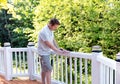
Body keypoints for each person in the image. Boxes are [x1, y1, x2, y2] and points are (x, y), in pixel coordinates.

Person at [37, 18, 69, 84]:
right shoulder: (44, 32)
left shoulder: (50, 30)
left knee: (44, 69)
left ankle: (43, 82)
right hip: (43, 53)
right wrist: (59, 51)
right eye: (55, 27)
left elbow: (53, 40)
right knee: (49, 69)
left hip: (47, 52)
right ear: (51, 24)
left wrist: (59, 48)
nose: (56, 28)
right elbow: (50, 45)